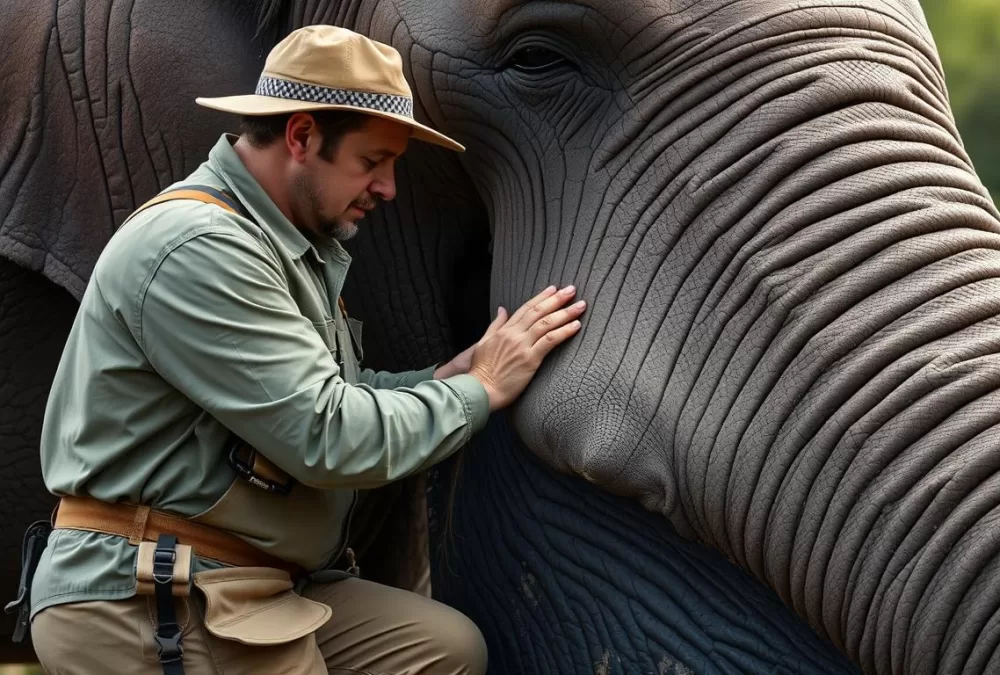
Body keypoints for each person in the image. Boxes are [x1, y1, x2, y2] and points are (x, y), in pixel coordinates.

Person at [18, 24, 585, 675]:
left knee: (442, 649)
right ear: (301, 136)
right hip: (150, 595)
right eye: (371, 162)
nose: (389, 189)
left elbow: (329, 394)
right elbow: (325, 434)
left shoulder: (283, 246)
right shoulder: (201, 248)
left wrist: (444, 376)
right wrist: (478, 388)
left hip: (247, 582)